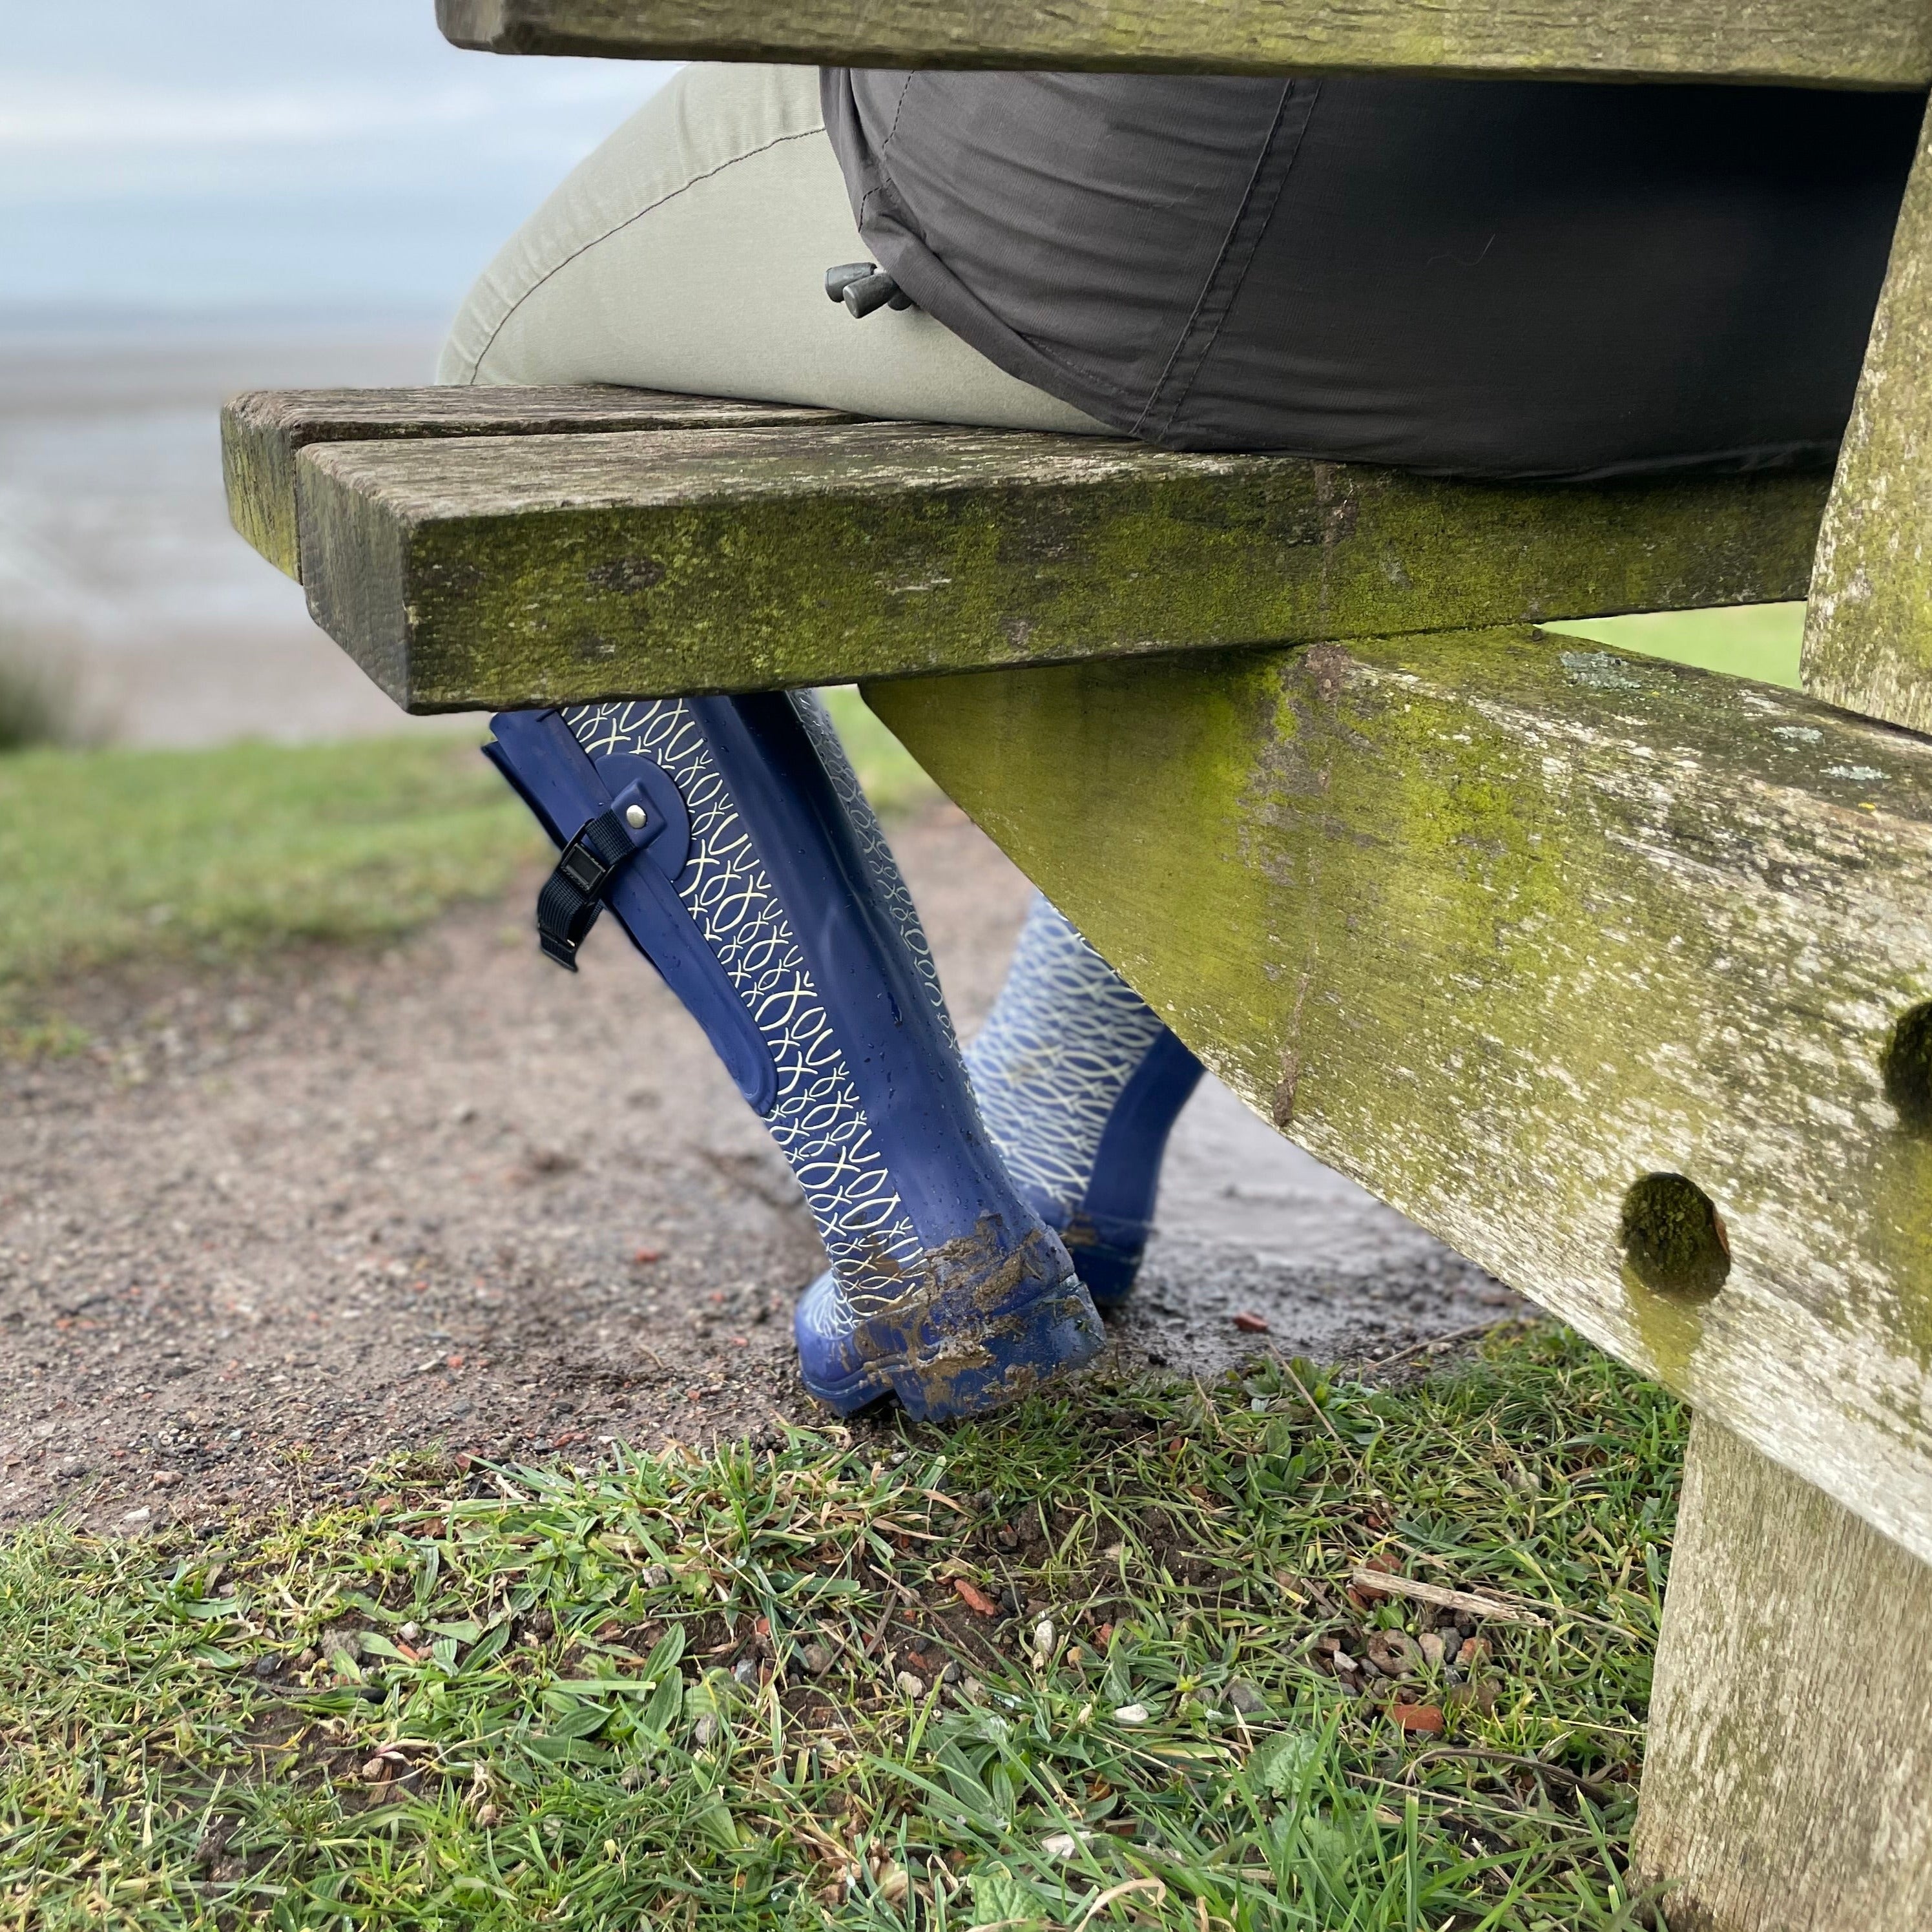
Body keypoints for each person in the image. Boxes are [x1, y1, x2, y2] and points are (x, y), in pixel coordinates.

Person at [444, 63, 1920, 1420]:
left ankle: (920, 1241)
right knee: (1261, 389)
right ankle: (1052, 1109)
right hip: (1816, 302)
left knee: (495, 372)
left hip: (1271, 241)